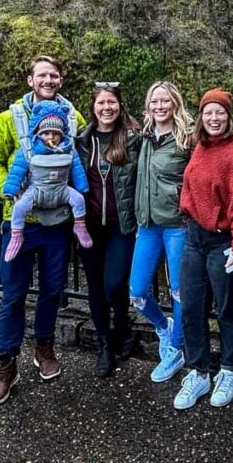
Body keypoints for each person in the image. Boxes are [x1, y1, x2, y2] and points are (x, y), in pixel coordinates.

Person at [0, 54, 85, 406]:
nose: (48, 80)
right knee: (13, 294)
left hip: (56, 223)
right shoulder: (9, 119)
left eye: (54, 75)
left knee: (53, 290)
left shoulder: (73, 117)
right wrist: (10, 191)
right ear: (30, 80)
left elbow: (81, 157)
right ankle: (6, 364)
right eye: (42, 75)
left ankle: (44, 346)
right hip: (19, 222)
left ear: (61, 80)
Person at [173, 88, 233, 410]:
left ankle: (228, 370)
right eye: (208, 112)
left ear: (229, 116)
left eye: (220, 112)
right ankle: (198, 371)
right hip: (195, 238)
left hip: (223, 241)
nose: (213, 118)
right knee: (192, 307)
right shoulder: (200, 147)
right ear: (201, 116)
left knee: (227, 308)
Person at [75, 81, 141, 377]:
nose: (106, 108)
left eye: (111, 103)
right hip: (88, 227)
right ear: (93, 107)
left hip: (121, 225)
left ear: (119, 106)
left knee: (114, 283)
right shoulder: (82, 140)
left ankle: (123, 326)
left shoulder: (132, 139)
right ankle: (105, 345)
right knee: (95, 288)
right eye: (101, 103)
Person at [130, 80, 193, 384]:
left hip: (177, 225)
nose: (159, 106)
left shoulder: (187, 138)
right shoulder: (143, 137)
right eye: (154, 101)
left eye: (165, 101)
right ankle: (163, 326)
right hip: (148, 224)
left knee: (179, 289)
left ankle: (176, 348)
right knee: (138, 291)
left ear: (175, 104)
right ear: (148, 106)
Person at [3, 101, 92, 263]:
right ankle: (16, 235)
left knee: (79, 200)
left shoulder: (68, 149)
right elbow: (17, 169)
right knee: (19, 207)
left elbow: (77, 169)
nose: (50, 137)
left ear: (62, 134)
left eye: (55, 133)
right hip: (36, 190)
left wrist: (82, 187)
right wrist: (11, 188)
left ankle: (80, 226)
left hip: (61, 190)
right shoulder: (29, 149)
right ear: (38, 133)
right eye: (46, 133)